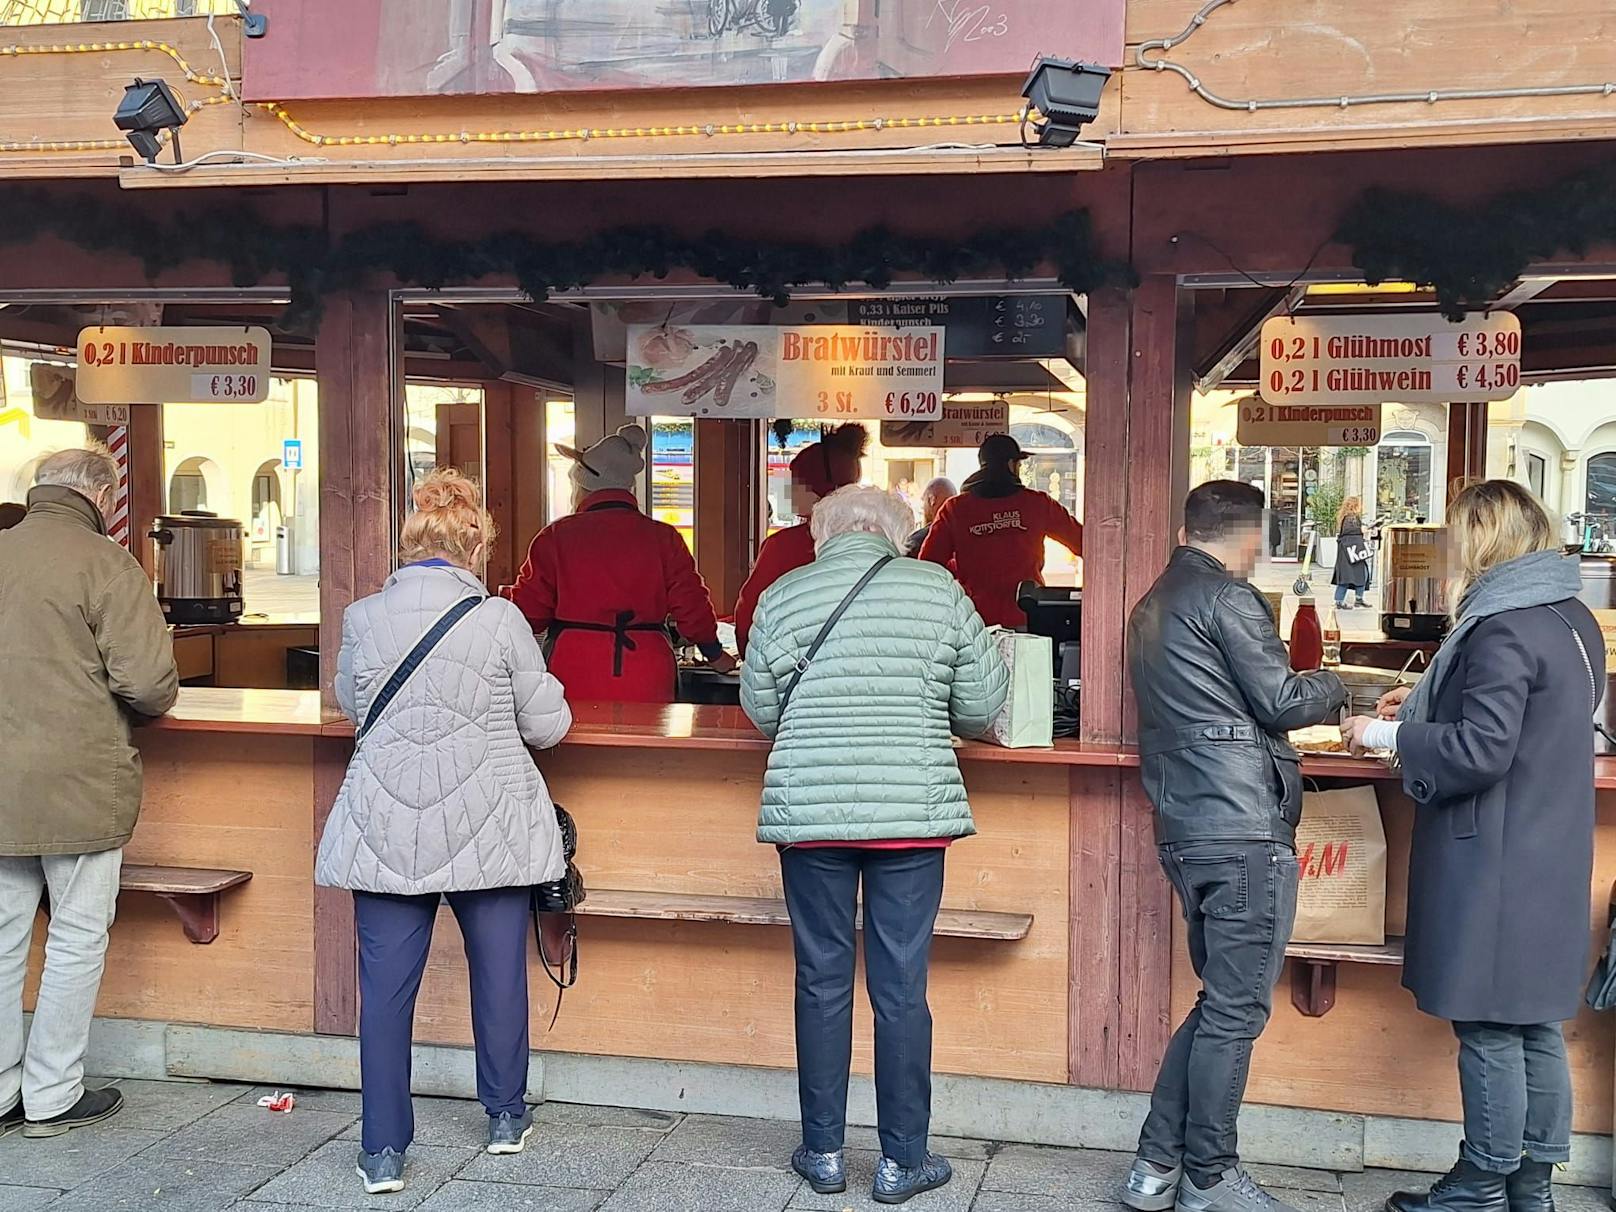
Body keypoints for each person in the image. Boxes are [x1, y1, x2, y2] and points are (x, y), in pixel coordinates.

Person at [741, 485, 1008, 1206]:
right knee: (900, 988)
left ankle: (823, 1153)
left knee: (821, 981)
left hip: (811, 815)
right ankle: (902, 1161)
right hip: (910, 814)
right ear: (900, 533)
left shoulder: (784, 592)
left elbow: (763, 710)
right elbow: (982, 707)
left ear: (821, 536)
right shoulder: (937, 587)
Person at [1342, 481, 1600, 1212]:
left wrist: (1381, 732)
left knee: (1488, 1024)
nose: (1453, 549)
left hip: (1495, 858)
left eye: (1461, 535)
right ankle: (1532, 1185)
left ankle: (1481, 1181)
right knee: (1533, 1022)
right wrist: (1427, 704)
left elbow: (1483, 749)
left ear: (1485, 540)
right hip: (1547, 848)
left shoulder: (1500, 626)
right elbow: (1525, 718)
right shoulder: (1569, 614)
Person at [317, 470, 573, 1195]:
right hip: (487, 820)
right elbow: (547, 727)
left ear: (412, 543)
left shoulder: (363, 617)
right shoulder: (500, 620)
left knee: (386, 991)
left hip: (387, 823)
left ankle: (382, 1152)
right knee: (497, 973)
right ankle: (504, 1117)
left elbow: (351, 704)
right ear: (475, 547)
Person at [1122, 480, 1346, 1212]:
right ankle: (1210, 1177)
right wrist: (1338, 684)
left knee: (1221, 1001)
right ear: (1251, 537)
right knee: (1237, 1010)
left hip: (1187, 826)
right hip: (1241, 826)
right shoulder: (1228, 598)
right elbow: (1282, 700)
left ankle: (1156, 1168)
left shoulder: (1151, 603)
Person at [0, 447, 178, 1139]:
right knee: (75, 935)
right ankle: (52, 1094)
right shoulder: (106, 563)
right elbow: (149, 682)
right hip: (76, 781)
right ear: (102, 498)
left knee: (3, 937)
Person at [506, 424, 733, 702]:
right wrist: (714, 653)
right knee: (645, 744)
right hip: (649, 670)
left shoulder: (555, 537)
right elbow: (692, 606)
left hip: (573, 671)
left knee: (576, 745)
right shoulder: (664, 538)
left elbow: (528, 613)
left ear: (582, 485)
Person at [918, 433, 1084, 628]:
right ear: (1011, 465)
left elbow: (927, 567)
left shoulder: (955, 509)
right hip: (1026, 619)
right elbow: (1084, 543)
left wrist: (961, 570)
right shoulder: (1037, 503)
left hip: (974, 623)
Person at [734, 423, 868, 655]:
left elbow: (749, 615)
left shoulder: (783, 547)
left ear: (819, 488)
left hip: (793, 670)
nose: (789, 491)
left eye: (796, 482)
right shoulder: (873, 541)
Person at [1332, 497, 1371, 609]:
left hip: (1351, 551)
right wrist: (1361, 530)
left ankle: (1348, 599)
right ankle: (1342, 601)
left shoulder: (1348, 518)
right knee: (1352, 575)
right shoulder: (1351, 518)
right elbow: (1350, 531)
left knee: (1351, 575)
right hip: (1352, 551)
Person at [903, 476, 956, 557]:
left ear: (932, 500)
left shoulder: (917, 541)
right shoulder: (965, 534)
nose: (922, 507)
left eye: (923, 500)